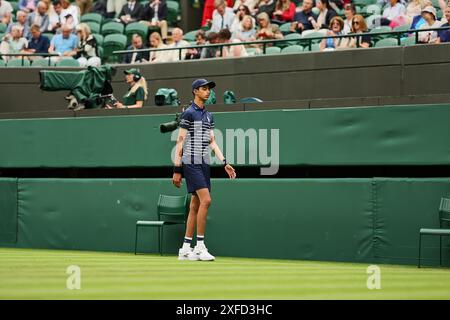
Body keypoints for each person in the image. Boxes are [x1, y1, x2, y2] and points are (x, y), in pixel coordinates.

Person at [173, 78, 236, 261]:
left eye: (209, 89)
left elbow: (212, 142)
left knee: (196, 205)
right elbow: (180, 141)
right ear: (195, 91)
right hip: (190, 162)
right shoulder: (189, 114)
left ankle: (185, 248)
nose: (207, 91)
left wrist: (225, 162)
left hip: (204, 163)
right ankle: (199, 247)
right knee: (206, 200)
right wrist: (177, 168)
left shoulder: (209, 116)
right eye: (203, 88)